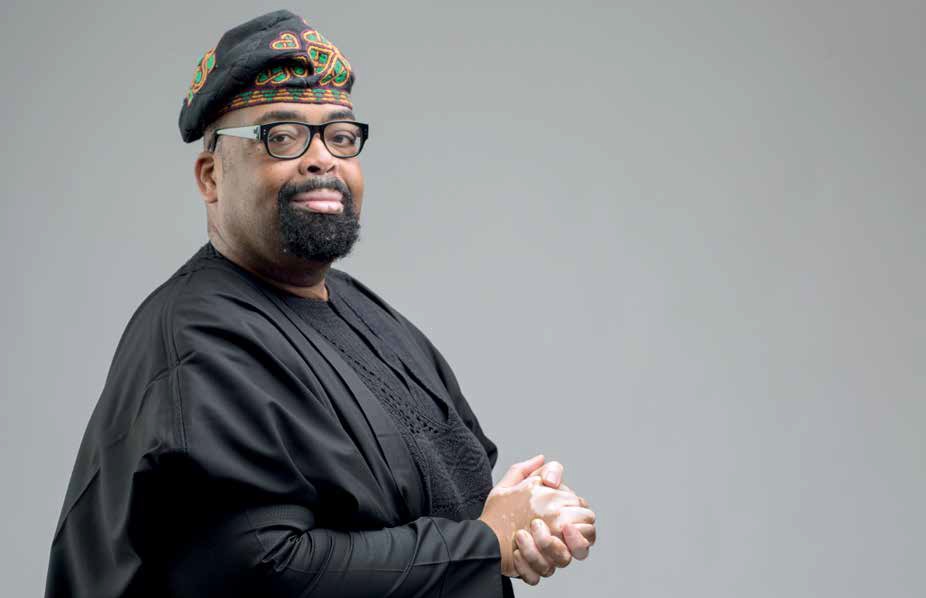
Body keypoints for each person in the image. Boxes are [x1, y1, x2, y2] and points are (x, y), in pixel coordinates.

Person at [44, 9, 596, 597]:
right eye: (281, 137)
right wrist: (485, 543)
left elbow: (456, 485)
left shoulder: (370, 317)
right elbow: (266, 571)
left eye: (340, 136)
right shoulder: (198, 339)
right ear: (210, 176)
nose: (322, 159)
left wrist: (527, 516)